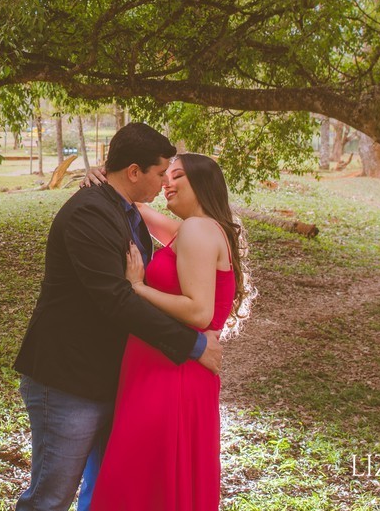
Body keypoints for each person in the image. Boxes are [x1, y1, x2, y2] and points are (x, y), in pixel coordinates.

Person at [13, 123, 225, 511]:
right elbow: (115, 298)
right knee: (50, 498)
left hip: (111, 378)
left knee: (102, 495)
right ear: (133, 172)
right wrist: (193, 345)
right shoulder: (88, 213)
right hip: (68, 380)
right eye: (160, 173)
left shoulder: (123, 208)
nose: (164, 183)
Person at [87, 152, 252, 511]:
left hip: (170, 374)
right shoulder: (195, 229)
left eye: (177, 176)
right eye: (165, 174)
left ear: (203, 185)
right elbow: (138, 209)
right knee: (153, 481)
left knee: (140, 480)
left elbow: (198, 310)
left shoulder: (196, 229)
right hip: (168, 369)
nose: (166, 182)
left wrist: (137, 287)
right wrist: (108, 179)